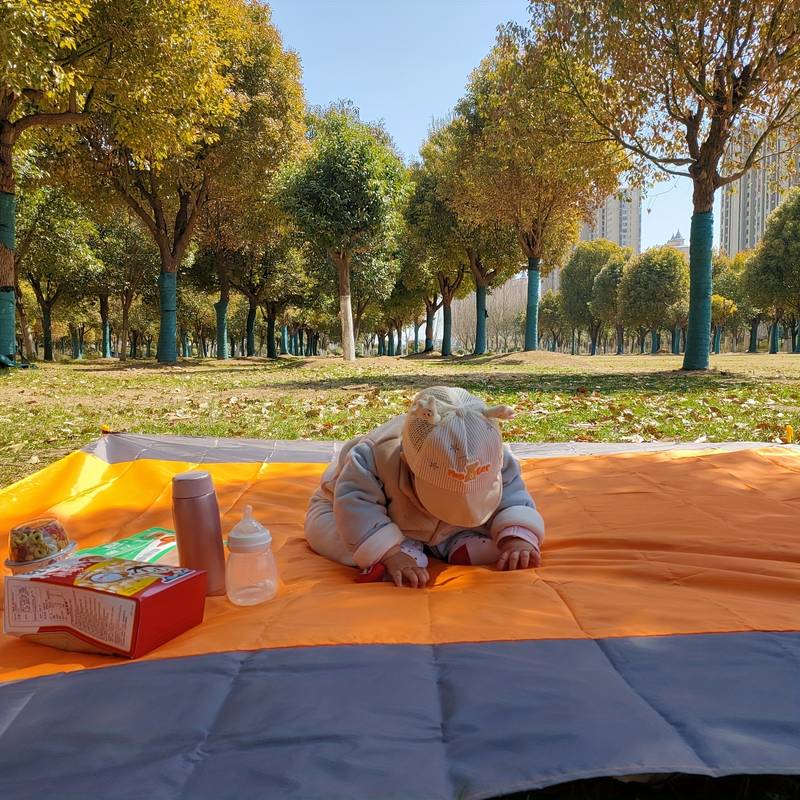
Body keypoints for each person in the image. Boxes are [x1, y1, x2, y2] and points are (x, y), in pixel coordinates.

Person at [304, 386, 544, 588]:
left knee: (470, 512)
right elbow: (355, 504)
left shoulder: (488, 452)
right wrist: (389, 553)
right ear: (407, 462)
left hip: (441, 525)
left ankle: (452, 540)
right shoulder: (375, 455)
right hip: (350, 510)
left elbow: (512, 491)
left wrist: (517, 538)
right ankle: (397, 545)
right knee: (330, 533)